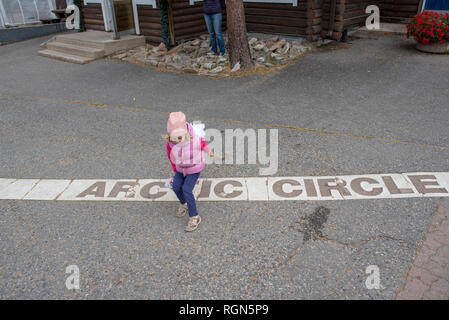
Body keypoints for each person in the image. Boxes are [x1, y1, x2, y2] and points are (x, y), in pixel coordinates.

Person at [164, 112, 213, 232]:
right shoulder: (171, 143)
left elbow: (202, 144)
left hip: (194, 168)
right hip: (181, 168)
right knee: (176, 186)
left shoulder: (194, 138)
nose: (177, 141)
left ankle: (194, 216)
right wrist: (175, 170)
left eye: (180, 137)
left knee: (186, 189)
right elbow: (171, 157)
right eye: (174, 138)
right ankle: (184, 203)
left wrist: (209, 151)